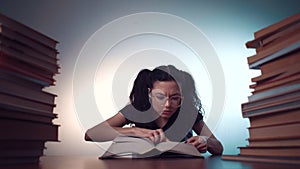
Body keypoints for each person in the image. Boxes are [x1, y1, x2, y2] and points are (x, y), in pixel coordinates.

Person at [85, 65, 223, 155]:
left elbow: (219, 148)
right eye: (160, 97)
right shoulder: (138, 109)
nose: (167, 104)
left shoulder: (188, 112)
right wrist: (135, 131)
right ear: (150, 93)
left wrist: (205, 141)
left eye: (175, 98)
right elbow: (90, 135)